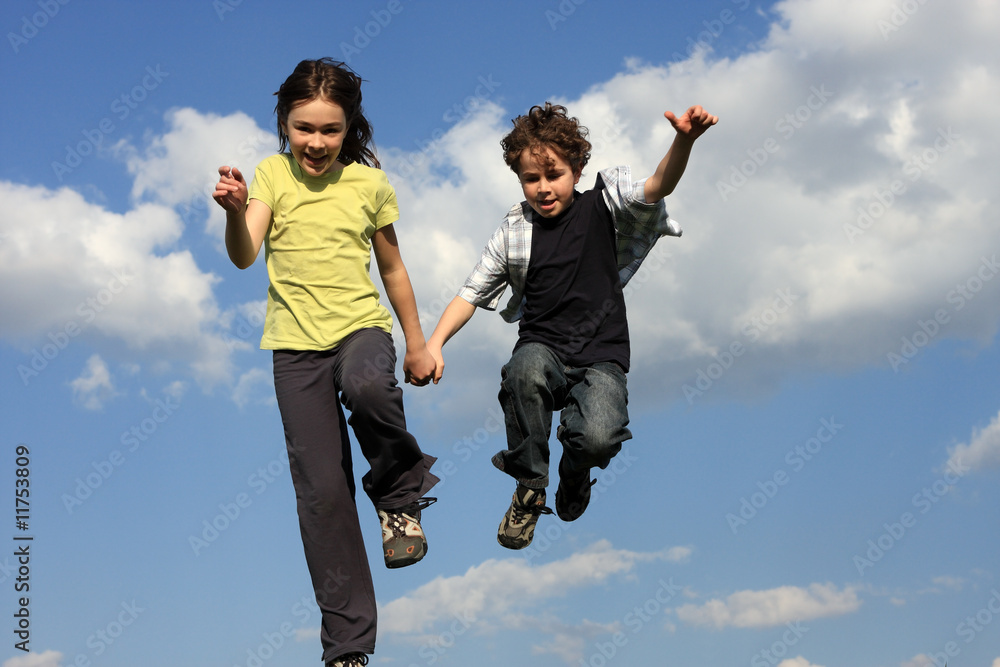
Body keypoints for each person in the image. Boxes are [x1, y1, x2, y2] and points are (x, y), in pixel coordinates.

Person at [212, 58, 438, 667]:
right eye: (303, 128)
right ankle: (347, 648)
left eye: (330, 130)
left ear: (349, 128)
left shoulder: (369, 185)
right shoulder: (271, 174)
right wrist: (235, 211)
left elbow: (393, 269)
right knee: (321, 495)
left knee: (368, 388)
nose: (316, 142)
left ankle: (398, 495)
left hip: (360, 328)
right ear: (284, 124)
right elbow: (244, 254)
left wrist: (417, 343)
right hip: (294, 350)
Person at [426, 102, 717, 550]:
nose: (543, 188)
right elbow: (471, 292)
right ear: (519, 179)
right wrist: (434, 343)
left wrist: (684, 140)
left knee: (597, 438)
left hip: (602, 357)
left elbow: (658, 185)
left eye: (554, 175)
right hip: (543, 348)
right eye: (531, 178)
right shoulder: (515, 231)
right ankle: (530, 485)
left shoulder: (603, 205)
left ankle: (575, 471)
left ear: (577, 170)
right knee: (523, 371)